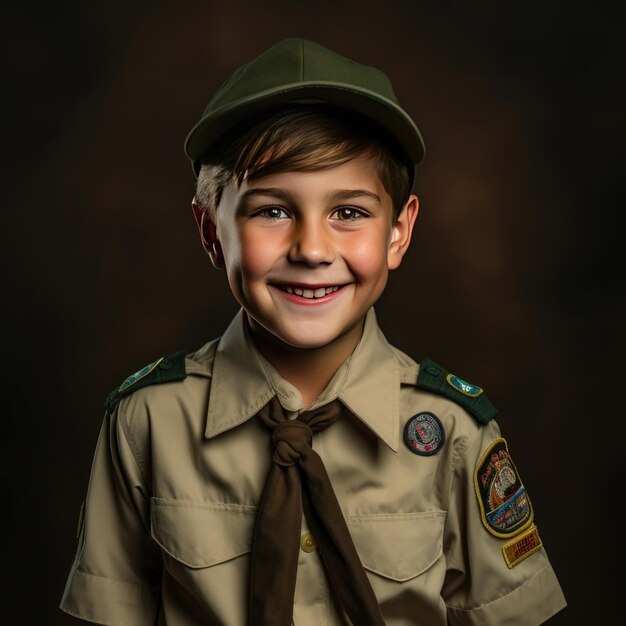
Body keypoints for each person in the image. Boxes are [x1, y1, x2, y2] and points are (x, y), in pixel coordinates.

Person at [59, 38, 567, 625]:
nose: (312, 249)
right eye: (271, 210)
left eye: (349, 212)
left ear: (399, 233)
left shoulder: (452, 431)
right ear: (210, 230)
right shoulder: (146, 421)